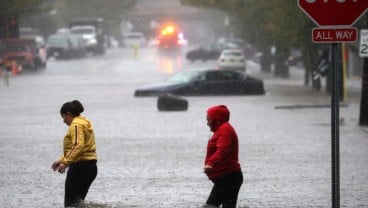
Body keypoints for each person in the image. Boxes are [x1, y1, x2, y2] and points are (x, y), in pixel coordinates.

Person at [51, 100, 98, 207]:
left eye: (63, 117)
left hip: (80, 168)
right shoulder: (84, 123)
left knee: (70, 205)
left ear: (68, 113)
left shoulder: (76, 125)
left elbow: (78, 146)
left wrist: (65, 163)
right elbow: (78, 148)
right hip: (90, 167)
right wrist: (61, 160)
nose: (63, 121)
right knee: (77, 204)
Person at [201, 105, 243, 208]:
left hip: (228, 177)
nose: (207, 123)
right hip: (229, 176)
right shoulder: (222, 130)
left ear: (217, 119)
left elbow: (222, 150)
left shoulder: (225, 130)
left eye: (209, 120)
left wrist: (211, 163)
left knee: (211, 205)